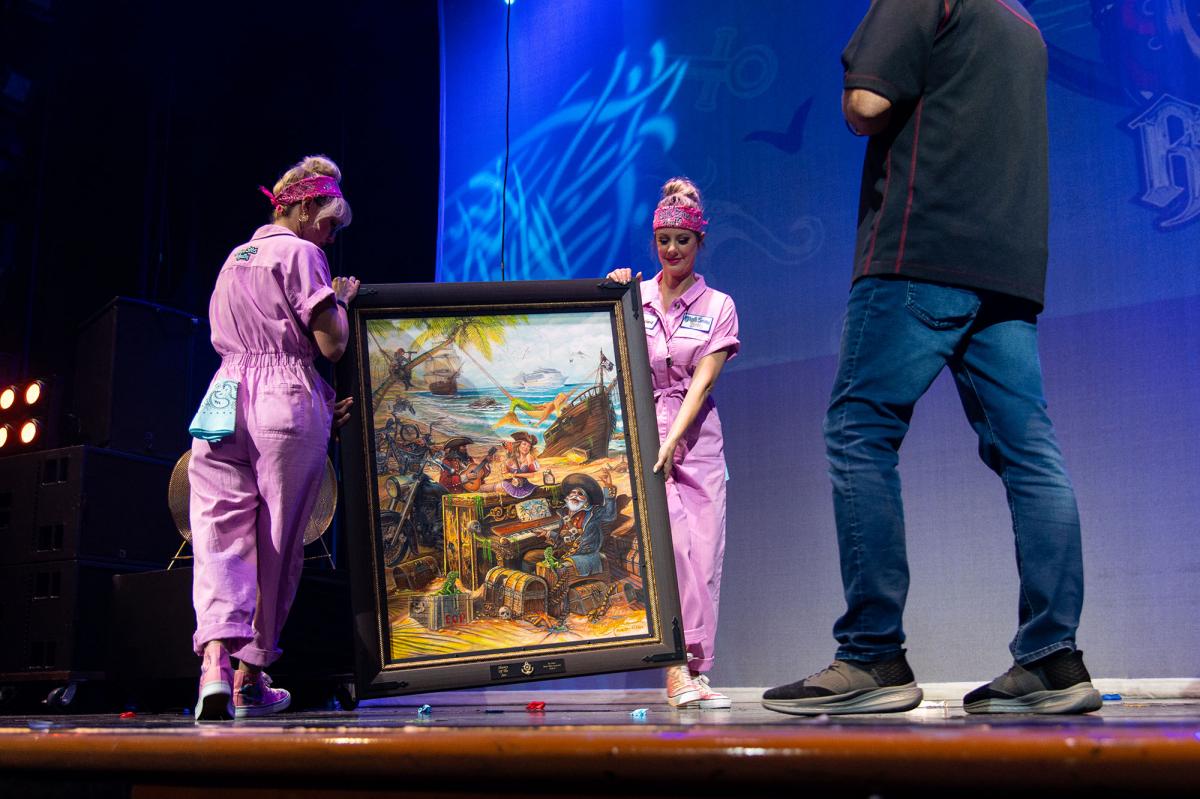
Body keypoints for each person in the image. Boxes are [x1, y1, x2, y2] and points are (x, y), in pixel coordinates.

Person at [762, 0, 1102, 716]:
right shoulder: (1023, 21)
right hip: (1006, 270)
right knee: (1030, 456)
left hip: (919, 253)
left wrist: (857, 88)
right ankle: (1053, 658)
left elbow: (867, 102)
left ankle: (872, 654)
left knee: (859, 431)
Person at [189, 154, 359, 722]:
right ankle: (250, 676)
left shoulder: (234, 258)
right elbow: (332, 345)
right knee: (277, 542)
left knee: (218, 534)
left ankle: (214, 662)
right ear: (306, 208)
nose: (330, 237)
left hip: (222, 395)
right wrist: (340, 302)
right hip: (281, 398)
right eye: (329, 223)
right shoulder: (302, 254)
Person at [606, 177, 739, 710]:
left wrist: (674, 439)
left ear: (699, 242)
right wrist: (611, 291)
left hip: (698, 438)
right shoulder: (634, 297)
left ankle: (699, 670)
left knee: (704, 556)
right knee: (674, 551)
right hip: (645, 431)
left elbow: (703, 381)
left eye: (682, 241)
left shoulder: (719, 305)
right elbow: (606, 346)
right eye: (664, 240)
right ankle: (676, 667)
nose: (672, 250)